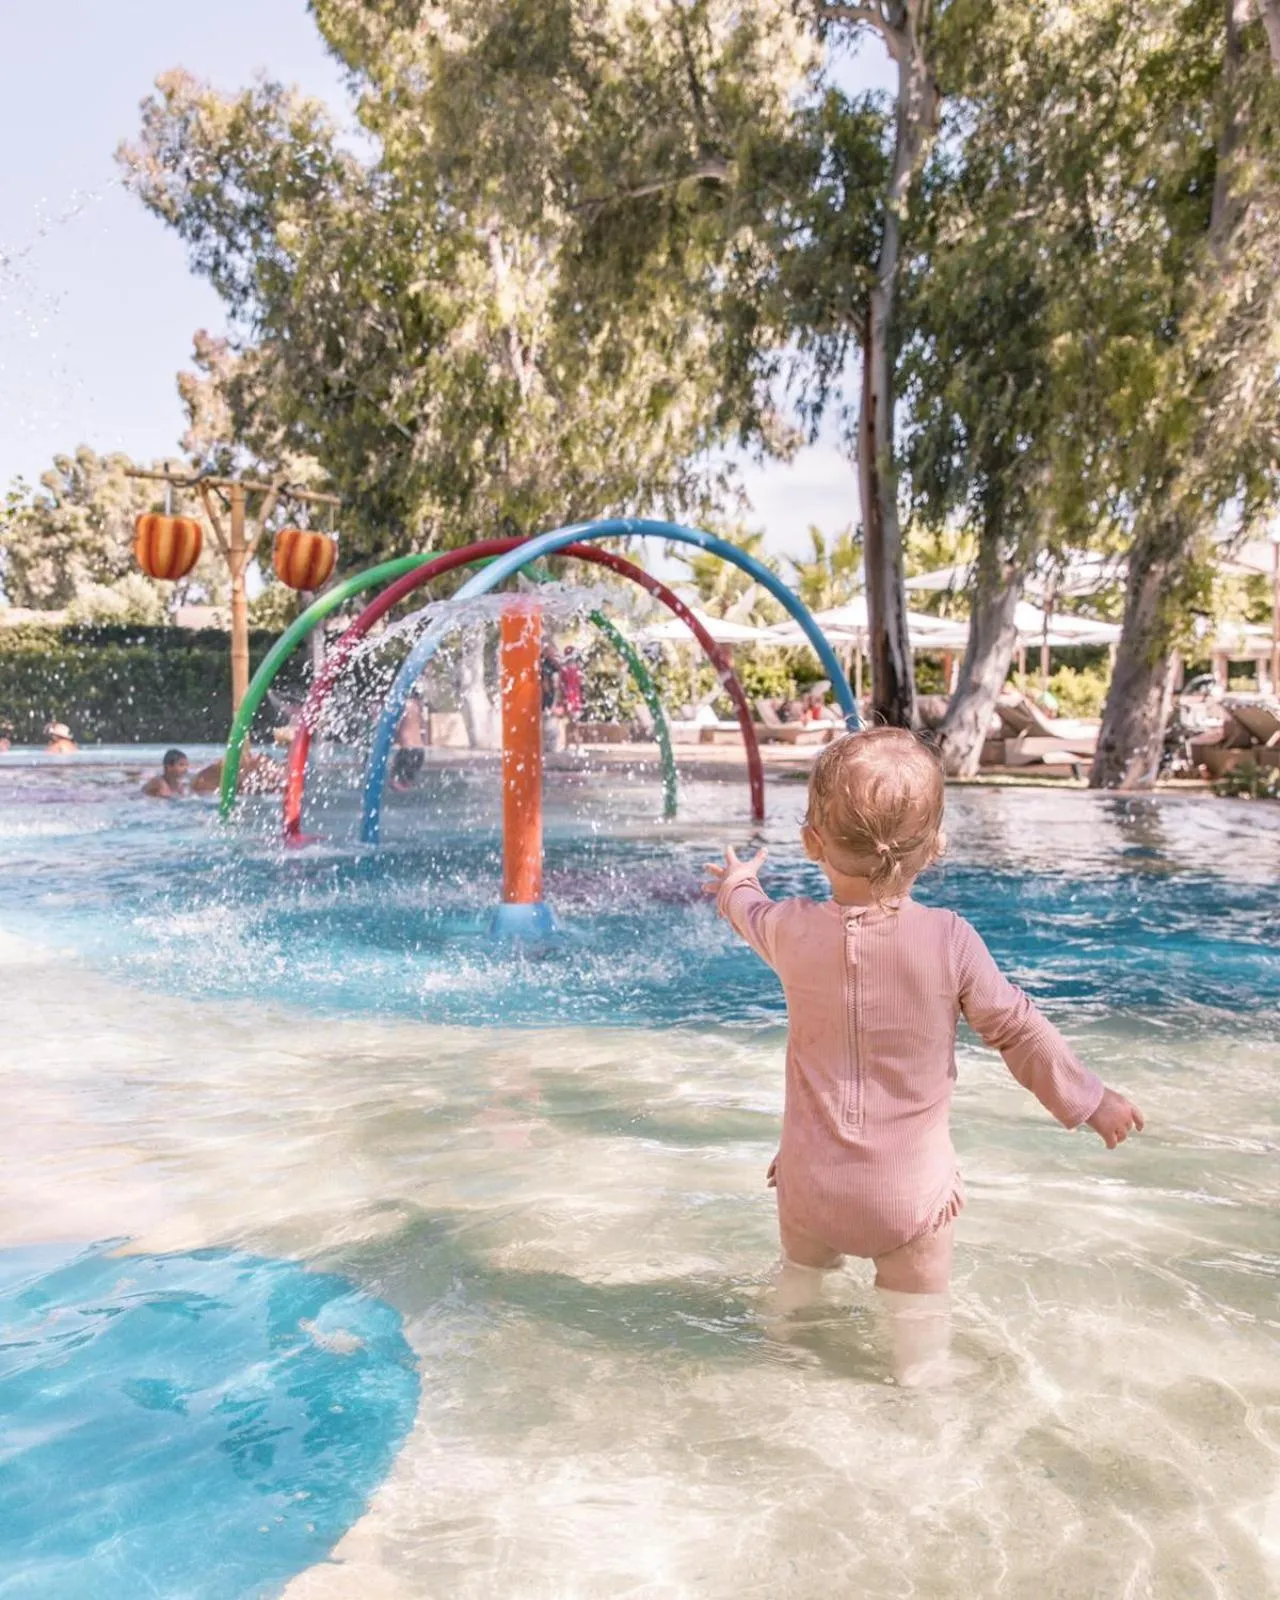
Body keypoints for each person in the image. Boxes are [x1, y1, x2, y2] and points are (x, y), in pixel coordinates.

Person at [703, 727, 1143, 1387]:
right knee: (919, 1339)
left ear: (811, 843)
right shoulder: (950, 940)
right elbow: (1019, 1031)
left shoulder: (791, 929)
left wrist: (735, 881)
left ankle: (774, 1370)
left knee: (796, 1296)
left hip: (808, 1183)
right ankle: (922, 1407)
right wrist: (1089, 1100)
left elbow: (746, 909)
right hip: (908, 1198)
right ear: (934, 850)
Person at [391, 694, 427, 790]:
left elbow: (396, 728)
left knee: (394, 781)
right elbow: (422, 726)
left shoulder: (402, 705)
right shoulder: (417, 705)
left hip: (407, 750)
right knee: (409, 781)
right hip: (420, 751)